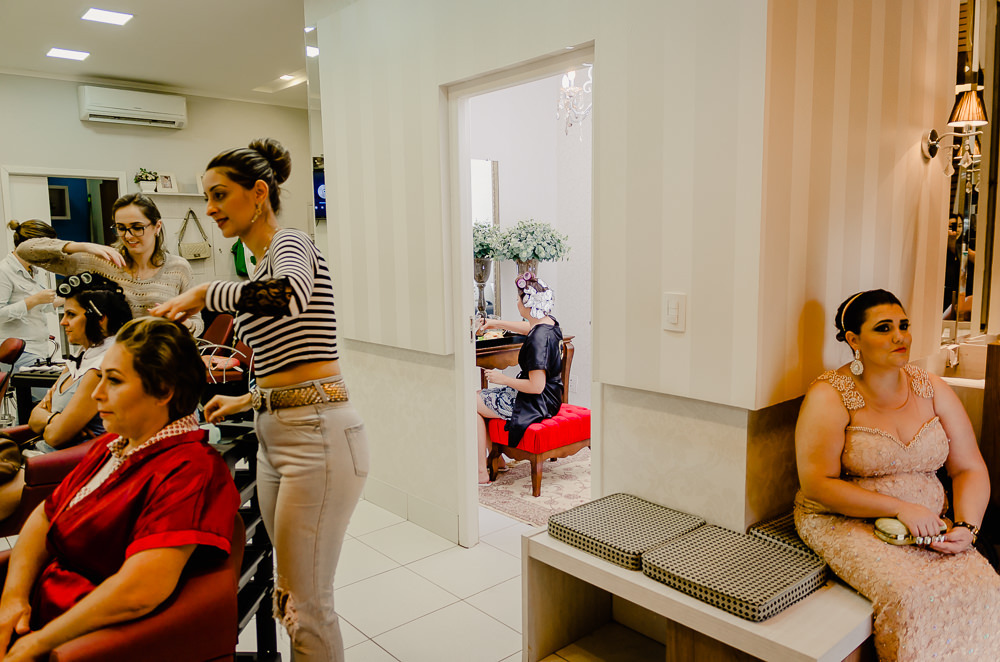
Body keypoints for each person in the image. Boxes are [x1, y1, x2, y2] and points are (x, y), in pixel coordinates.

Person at [151, 138, 368, 662]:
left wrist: (206, 293)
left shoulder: (291, 243)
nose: (210, 208)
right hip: (280, 433)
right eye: (206, 197)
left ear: (259, 193)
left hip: (316, 434)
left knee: (306, 604)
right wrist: (246, 402)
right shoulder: (258, 266)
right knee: (289, 594)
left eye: (219, 194)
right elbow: (285, 359)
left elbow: (289, 296)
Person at [0, 317, 239, 661]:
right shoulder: (113, 446)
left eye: (113, 380)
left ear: (163, 390)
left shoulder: (189, 470)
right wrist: (13, 598)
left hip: (86, 640)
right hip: (42, 613)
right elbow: (45, 516)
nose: (96, 393)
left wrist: (38, 643)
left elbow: (139, 590)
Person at [794, 289, 1000, 661]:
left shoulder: (931, 388)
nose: (899, 336)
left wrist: (968, 527)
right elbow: (817, 484)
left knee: (984, 584)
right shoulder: (830, 395)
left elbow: (968, 466)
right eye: (884, 328)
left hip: (928, 522)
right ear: (854, 339)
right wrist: (900, 508)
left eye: (903, 326)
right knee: (910, 596)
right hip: (844, 519)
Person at [16, 193, 203, 335]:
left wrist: (180, 321)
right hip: (112, 362)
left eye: (137, 227)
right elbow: (25, 250)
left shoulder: (178, 268)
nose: (128, 236)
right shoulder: (99, 262)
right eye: (121, 228)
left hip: (160, 362)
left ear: (157, 226)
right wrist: (82, 246)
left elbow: (197, 324)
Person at [476, 272, 562, 485]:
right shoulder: (549, 324)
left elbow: (536, 386)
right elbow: (529, 327)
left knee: (470, 402)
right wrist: (493, 323)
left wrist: (502, 379)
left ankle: (481, 471)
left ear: (527, 303)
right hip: (551, 398)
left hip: (535, 402)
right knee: (479, 397)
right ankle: (497, 459)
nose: (516, 303)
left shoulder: (538, 340)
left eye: (517, 299)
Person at [0, 221, 59, 374]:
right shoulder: (4, 271)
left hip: (39, 349)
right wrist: (34, 300)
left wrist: (71, 297)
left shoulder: (31, 270)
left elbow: (41, 305)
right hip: (19, 352)